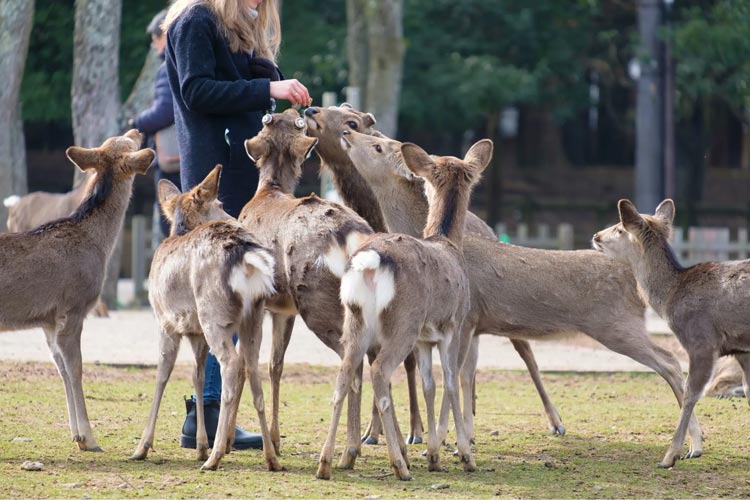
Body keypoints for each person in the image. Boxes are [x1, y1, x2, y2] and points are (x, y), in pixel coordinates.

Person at [162, 0, 312, 451]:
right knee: (217, 292)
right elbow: (198, 91)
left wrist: (265, 71)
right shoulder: (196, 22)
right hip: (216, 174)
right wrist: (270, 85)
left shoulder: (231, 24)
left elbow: (240, 82)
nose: (259, 4)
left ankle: (209, 412)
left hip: (233, 168)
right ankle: (204, 411)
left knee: (229, 292)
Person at [132, 9, 181, 238]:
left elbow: (164, 111)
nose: (155, 46)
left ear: (165, 34)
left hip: (171, 159)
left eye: (155, 39)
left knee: (170, 221)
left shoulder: (167, 69)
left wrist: (138, 122)